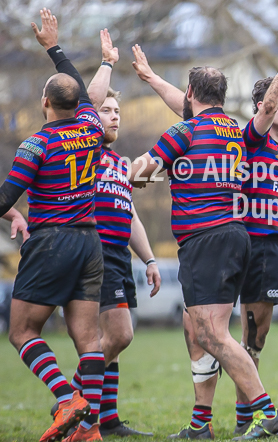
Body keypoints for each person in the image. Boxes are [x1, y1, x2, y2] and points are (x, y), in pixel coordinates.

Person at [128, 45, 278, 440]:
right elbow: (264, 111)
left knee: (214, 334)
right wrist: (149, 78)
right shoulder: (234, 129)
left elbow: (139, 173)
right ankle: (201, 425)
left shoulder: (184, 132)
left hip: (206, 239)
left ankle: (267, 415)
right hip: (236, 236)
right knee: (196, 329)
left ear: (190, 94)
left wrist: (135, 172)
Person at [52, 28, 163, 439]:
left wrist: (149, 259)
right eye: (108, 111)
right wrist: (107, 62)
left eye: (119, 112)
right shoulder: (84, 152)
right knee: (118, 335)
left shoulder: (119, 163)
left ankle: (105, 418)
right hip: (92, 253)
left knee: (108, 340)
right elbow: (88, 100)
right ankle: (73, 400)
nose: (115, 116)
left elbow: (129, 213)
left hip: (118, 254)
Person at [2, 9, 106, 442]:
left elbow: (6, 199)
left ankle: (67, 399)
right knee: (89, 341)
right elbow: (78, 89)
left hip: (51, 242)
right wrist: (53, 49)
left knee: (22, 331)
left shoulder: (36, 143)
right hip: (90, 243)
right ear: (76, 104)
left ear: (45, 103)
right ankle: (90, 429)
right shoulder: (93, 127)